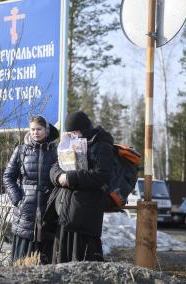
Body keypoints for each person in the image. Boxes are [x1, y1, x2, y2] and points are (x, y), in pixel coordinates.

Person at [42, 110, 115, 263]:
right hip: (65, 213)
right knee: (61, 259)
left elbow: (101, 176)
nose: (73, 136)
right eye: (70, 133)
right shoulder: (68, 143)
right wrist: (59, 177)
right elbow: (55, 167)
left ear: (85, 129)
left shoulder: (101, 145)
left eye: (76, 132)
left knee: (83, 260)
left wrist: (70, 177)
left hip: (85, 215)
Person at [3, 116, 59, 264]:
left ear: (46, 131)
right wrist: (18, 200)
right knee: (21, 261)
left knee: (45, 260)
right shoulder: (20, 151)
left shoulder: (56, 152)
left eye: (39, 129)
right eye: (33, 129)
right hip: (25, 211)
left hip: (48, 211)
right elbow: (8, 177)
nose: (35, 132)